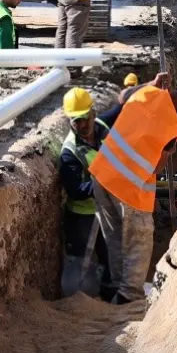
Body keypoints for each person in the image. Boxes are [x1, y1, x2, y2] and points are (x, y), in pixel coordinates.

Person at [88, 71, 177, 304]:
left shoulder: (146, 92)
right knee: (139, 242)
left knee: (114, 237)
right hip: (130, 189)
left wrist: (151, 83)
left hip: (103, 175)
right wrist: (169, 152)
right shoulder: (173, 127)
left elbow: (122, 97)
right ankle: (128, 296)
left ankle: (112, 289)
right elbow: (157, 168)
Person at [59, 87, 113, 298]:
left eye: (85, 118)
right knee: (82, 262)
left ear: (93, 113)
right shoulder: (69, 152)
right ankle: (79, 304)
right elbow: (74, 191)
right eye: (76, 121)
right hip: (83, 217)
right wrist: (102, 183)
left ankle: (110, 300)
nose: (82, 125)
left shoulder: (102, 128)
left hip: (106, 210)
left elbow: (123, 107)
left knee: (110, 257)